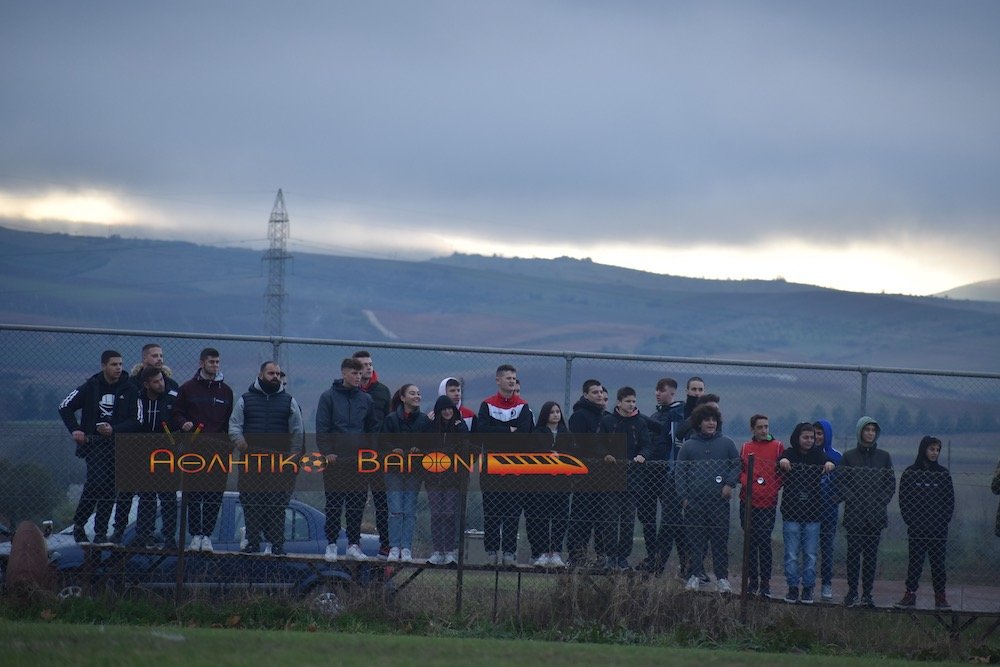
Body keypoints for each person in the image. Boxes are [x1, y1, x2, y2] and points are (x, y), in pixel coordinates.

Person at [58, 350, 140, 544]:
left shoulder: (130, 389)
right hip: (94, 445)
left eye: (120, 364)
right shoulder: (91, 386)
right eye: (114, 364)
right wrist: (75, 430)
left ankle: (100, 532)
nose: (118, 368)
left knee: (110, 489)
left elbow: (137, 420)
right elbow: (65, 406)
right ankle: (79, 525)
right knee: (97, 483)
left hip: (119, 446)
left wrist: (114, 429)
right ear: (104, 366)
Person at [229, 361, 304, 556]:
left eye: (278, 374)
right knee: (251, 503)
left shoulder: (289, 401)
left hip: (279, 463)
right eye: (271, 373)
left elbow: (297, 431)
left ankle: (277, 545)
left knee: (277, 505)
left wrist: (294, 457)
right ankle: (253, 543)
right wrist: (239, 440)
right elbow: (235, 424)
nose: (275, 377)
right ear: (261, 374)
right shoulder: (245, 399)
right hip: (251, 462)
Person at [316, 357, 379, 562]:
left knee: (356, 503)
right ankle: (332, 544)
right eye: (354, 373)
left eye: (360, 374)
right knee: (334, 503)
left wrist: (370, 453)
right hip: (335, 462)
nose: (358, 377)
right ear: (344, 373)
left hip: (358, 463)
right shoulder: (328, 397)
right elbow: (322, 428)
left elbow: (372, 430)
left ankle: (353, 544)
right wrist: (327, 452)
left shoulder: (366, 399)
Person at [172, 347, 234, 552]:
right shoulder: (187, 388)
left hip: (218, 454)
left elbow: (228, 423)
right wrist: (184, 424)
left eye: (217, 362)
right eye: (211, 362)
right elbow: (176, 413)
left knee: (213, 496)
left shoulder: (226, 391)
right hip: (194, 451)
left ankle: (207, 535)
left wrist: (227, 448)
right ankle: (195, 535)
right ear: (201, 363)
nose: (215, 366)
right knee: (193, 495)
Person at [675, 403, 741, 593]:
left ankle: (722, 579)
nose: (711, 423)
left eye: (713, 420)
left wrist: (729, 484)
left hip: (719, 503)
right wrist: (684, 498)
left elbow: (736, 465)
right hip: (694, 503)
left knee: (719, 542)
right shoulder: (688, 446)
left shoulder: (727, 443)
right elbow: (680, 473)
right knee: (695, 542)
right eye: (706, 420)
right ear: (699, 423)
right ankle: (695, 576)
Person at [477, 363, 533, 566]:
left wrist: (499, 432)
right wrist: (507, 430)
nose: (511, 380)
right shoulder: (487, 405)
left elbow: (524, 436)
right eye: (508, 378)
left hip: (515, 467)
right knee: (491, 510)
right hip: (491, 466)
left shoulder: (523, 406)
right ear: (498, 380)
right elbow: (483, 433)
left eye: (514, 378)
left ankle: (509, 552)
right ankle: (491, 552)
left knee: (512, 511)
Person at [837, 416, 895, 608]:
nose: (870, 433)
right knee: (853, 556)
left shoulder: (884, 457)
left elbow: (890, 483)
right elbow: (841, 482)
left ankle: (867, 594)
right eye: (867, 429)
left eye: (873, 430)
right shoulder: (849, 457)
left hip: (875, 516)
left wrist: (881, 500)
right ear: (860, 432)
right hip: (854, 515)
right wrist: (851, 498)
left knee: (871, 556)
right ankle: (852, 592)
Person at [778, 423, 835, 604]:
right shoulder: (790, 453)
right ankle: (793, 587)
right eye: (806, 437)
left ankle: (808, 588)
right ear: (797, 438)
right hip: (791, 513)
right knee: (792, 554)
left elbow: (828, 461)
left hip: (813, 514)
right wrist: (783, 462)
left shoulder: (818, 454)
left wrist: (828, 463)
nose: (810, 440)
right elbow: (781, 460)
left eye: (812, 437)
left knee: (810, 554)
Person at [895, 436, 955, 610]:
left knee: (938, 564)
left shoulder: (943, 474)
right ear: (923, 450)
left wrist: (943, 522)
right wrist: (911, 521)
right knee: (915, 563)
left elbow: (949, 501)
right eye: (931, 449)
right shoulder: (910, 473)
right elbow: (903, 500)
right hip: (917, 528)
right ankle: (910, 594)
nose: (934, 453)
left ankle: (940, 597)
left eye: (937, 450)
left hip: (938, 529)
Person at [639, 377, 687, 575]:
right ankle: (652, 558)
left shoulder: (678, 415)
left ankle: (686, 561)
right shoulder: (656, 414)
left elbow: (674, 440)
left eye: (662, 390)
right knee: (646, 517)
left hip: (667, 474)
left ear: (672, 393)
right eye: (656, 390)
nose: (658, 393)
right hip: (648, 473)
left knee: (672, 519)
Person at [380, 384, 431, 562]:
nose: (417, 396)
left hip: (414, 472)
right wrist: (394, 450)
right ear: (403, 397)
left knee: (410, 511)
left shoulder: (425, 421)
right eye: (412, 393)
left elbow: (428, 446)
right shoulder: (391, 419)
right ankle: (394, 547)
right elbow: (383, 443)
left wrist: (420, 449)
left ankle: (406, 548)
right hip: (393, 471)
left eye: (418, 393)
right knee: (395, 510)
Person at [739, 414, 784, 598]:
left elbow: (782, 472)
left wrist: (772, 487)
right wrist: (750, 485)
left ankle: (765, 584)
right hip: (748, 502)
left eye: (766, 426)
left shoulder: (778, 447)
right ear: (753, 429)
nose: (764, 430)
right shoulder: (746, 448)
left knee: (764, 542)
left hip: (768, 503)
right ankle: (752, 581)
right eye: (760, 427)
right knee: (750, 541)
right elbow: (740, 471)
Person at [134, 366, 179, 549]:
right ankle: (145, 535)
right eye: (156, 382)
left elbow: (181, 421)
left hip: (167, 455)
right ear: (146, 384)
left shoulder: (173, 398)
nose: (160, 384)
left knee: (168, 497)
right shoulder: (138, 399)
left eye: (161, 380)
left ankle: (169, 537)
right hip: (143, 455)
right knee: (147, 496)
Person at [353, 350, 392, 558]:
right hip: (356, 456)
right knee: (356, 500)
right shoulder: (349, 392)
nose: (368, 367)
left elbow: (390, 421)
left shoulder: (383, 391)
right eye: (363, 364)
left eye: (370, 363)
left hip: (379, 456)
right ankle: (354, 543)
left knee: (382, 502)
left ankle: (386, 545)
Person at [525, 401, 572, 568]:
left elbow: (573, 454)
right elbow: (531, 454)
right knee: (542, 520)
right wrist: (546, 456)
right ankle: (543, 552)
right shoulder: (537, 433)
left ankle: (556, 553)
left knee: (560, 519)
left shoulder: (566, 433)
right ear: (545, 414)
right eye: (552, 412)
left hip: (562, 484)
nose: (555, 414)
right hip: (541, 484)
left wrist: (562, 456)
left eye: (558, 411)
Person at [566, 379, 607, 567]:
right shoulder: (579, 416)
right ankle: (577, 556)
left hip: (604, 477)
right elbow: (581, 444)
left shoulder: (604, 416)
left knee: (601, 519)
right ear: (585, 394)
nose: (599, 395)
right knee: (581, 517)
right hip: (585, 475)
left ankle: (601, 557)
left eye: (600, 392)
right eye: (595, 392)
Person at [425, 395, 470, 566]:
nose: (447, 411)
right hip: (433, 478)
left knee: (450, 514)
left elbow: (466, 445)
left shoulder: (460, 426)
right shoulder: (430, 427)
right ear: (438, 411)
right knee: (436, 514)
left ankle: (449, 552)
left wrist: (461, 427)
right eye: (444, 409)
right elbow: (425, 447)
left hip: (453, 478)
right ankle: (437, 550)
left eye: (450, 408)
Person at [813, 419, 842, 601]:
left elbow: (844, 482)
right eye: (814, 433)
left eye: (820, 433)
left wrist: (836, 498)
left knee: (827, 549)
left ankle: (826, 584)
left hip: (829, 513)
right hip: (809, 512)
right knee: (808, 550)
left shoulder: (837, 456)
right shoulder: (809, 454)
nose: (817, 437)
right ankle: (807, 583)